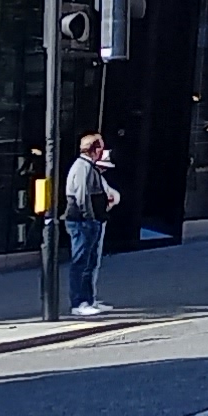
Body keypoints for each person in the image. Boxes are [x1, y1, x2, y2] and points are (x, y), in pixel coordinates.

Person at [62, 132, 120, 316]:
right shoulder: (82, 167)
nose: (103, 151)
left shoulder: (88, 166)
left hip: (88, 221)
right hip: (82, 222)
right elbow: (81, 196)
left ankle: (89, 300)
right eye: (101, 147)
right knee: (81, 263)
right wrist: (89, 218)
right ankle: (79, 303)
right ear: (94, 149)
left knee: (90, 263)